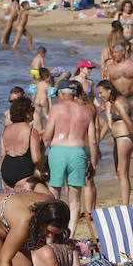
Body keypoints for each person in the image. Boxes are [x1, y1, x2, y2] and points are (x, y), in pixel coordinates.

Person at [42, 80, 95, 236]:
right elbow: (92, 140)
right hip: (78, 152)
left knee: (53, 194)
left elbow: (47, 136)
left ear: (61, 93)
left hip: (58, 151)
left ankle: (53, 232)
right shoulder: (86, 111)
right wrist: (92, 163)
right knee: (74, 199)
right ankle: (70, 235)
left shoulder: (56, 109)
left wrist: (38, 160)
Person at [98, 79, 133, 204]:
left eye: (101, 93)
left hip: (124, 137)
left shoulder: (118, 102)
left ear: (109, 90)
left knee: (123, 174)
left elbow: (129, 121)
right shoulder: (116, 101)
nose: (100, 96)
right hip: (119, 138)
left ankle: (125, 204)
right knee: (119, 172)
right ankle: (125, 201)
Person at [0, 97, 44, 191]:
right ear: (27, 114)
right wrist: (41, 170)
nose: (33, 113)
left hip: (6, 171)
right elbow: (36, 159)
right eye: (32, 110)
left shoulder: (6, 130)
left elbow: (2, 155)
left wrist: (3, 176)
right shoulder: (31, 131)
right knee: (49, 197)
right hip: (23, 172)